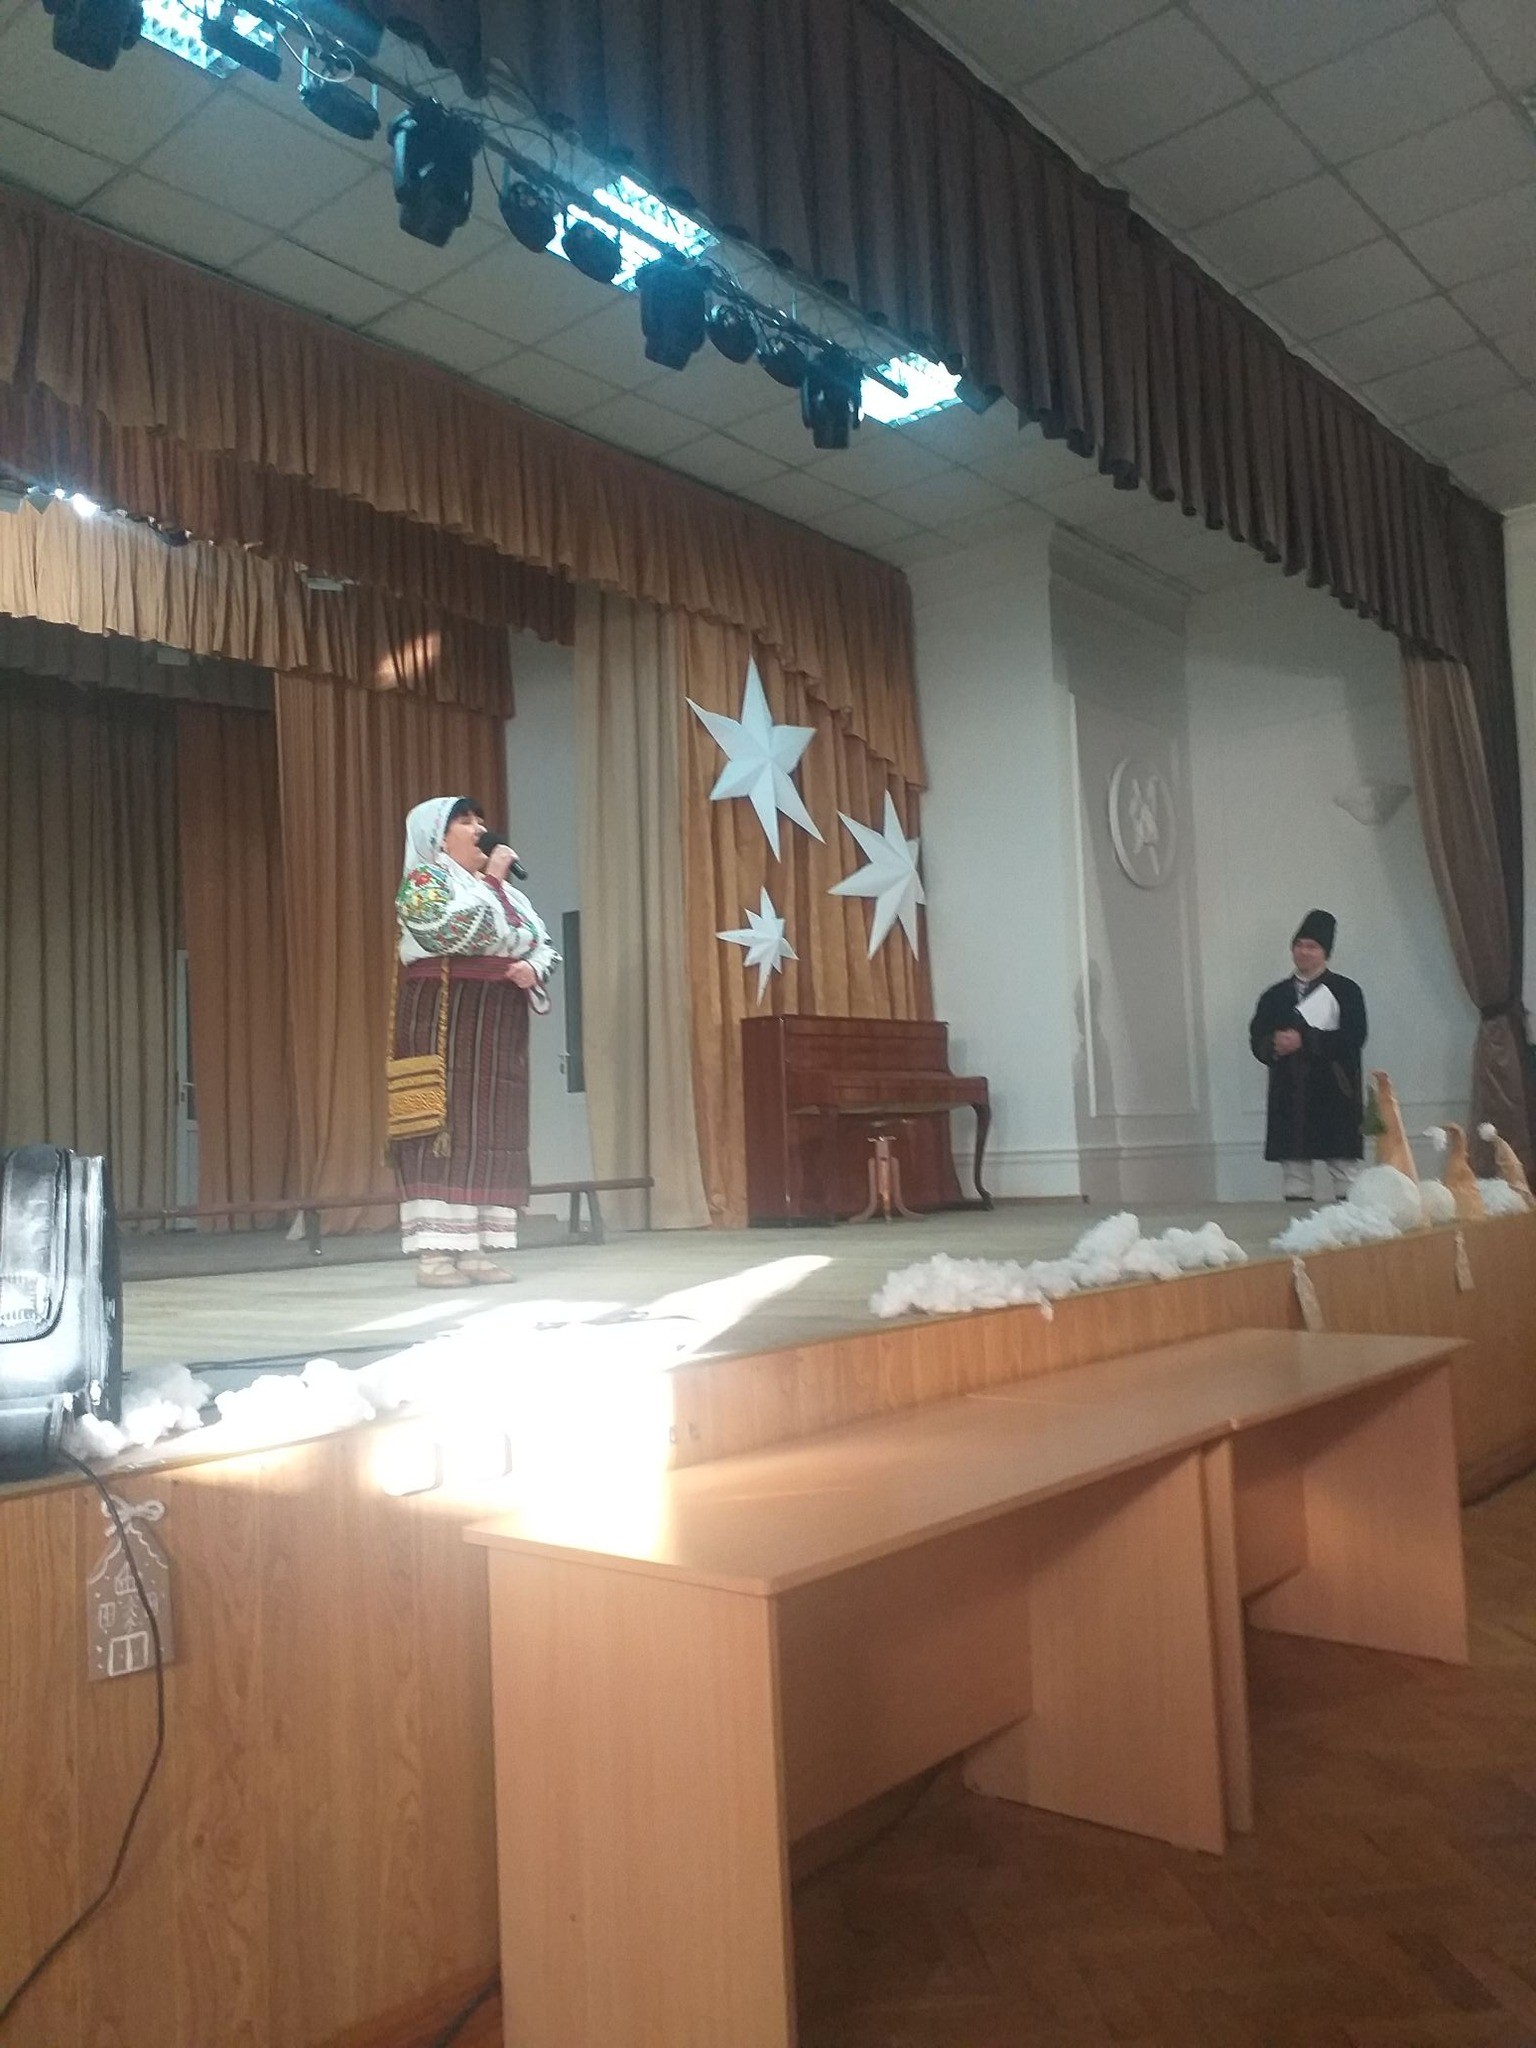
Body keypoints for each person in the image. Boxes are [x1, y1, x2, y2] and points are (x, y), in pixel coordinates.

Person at [390, 796, 557, 1286]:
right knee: (442, 1126)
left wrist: (532, 968)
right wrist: (491, 882)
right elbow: (449, 932)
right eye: (465, 821)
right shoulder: (424, 881)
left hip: (498, 1018)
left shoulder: (510, 895)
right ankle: (435, 1255)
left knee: (491, 1126)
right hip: (443, 1012)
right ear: (438, 838)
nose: (480, 828)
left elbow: (542, 942)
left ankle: (476, 1250)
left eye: (480, 819)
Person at [1249, 909, 1368, 1202]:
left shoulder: (1346, 991)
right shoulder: (1275, 995)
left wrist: (1305, 1040)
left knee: (1344, 1172)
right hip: (1290, 1096)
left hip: (1335, 1093)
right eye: (1299, 945)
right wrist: (1274, 1044)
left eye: (1312, 946)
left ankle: (1352, 1228)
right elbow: (1257, 1039)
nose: (1303, 952)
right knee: (1295, 1176)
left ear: (1325, 953)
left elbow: (1354, 1037)